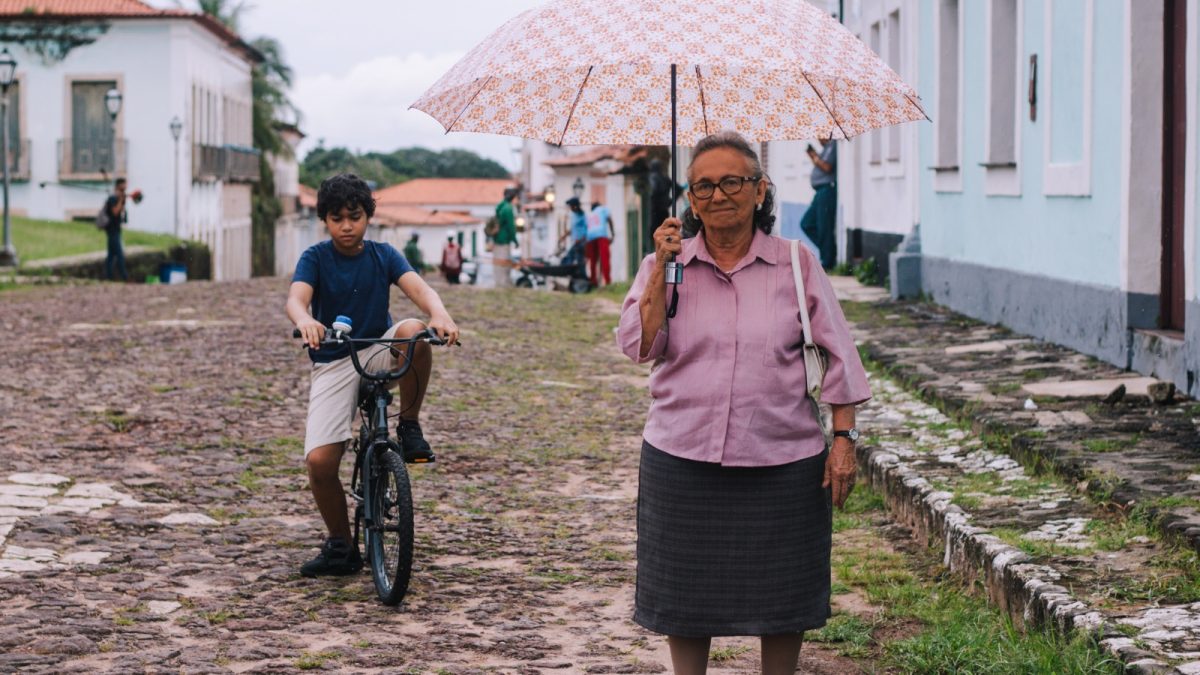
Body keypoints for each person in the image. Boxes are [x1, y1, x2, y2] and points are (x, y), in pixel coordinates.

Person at [617, 131, 870, 675]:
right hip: (682, 453)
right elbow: (641, 347)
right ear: (689, 198)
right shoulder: (665, 262)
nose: (717, 195)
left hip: (783, 457)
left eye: (732, 181)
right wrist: (660, 271)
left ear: (760, 191)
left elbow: (840, 357)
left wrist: (844, 441)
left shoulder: (796, 264)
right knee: (684, 598)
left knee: (783, 597)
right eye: (702, 185)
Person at [286, 173, 460, 577]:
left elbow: (420, 289)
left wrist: (441, 314)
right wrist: (306, 320)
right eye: (336, 218)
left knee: (415, 330)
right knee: (320, 463)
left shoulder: (383, 254)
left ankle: (410, 427)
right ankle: (341, 546)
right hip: (334, 357)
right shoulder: (315, 257)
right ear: (324, 221)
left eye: (355, 216)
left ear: (368, 217)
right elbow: (297, 298)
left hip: (379, 348)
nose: (347, 226)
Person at [800, 137, 837, 269]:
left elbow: (827, 167)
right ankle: (828, 251)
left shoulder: (833, 145)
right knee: (806, 223)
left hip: (826, 190)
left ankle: (828, 261)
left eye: (820, 134)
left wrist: (814, 157)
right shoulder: (826, 148)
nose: (818, 138)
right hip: (819, 192)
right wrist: (814, 156)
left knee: (824, 228)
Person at [102, 177, 129, 282]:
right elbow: (115, 212)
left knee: (111, 255)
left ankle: (108, 276)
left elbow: (121, 211)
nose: (126, 186)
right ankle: (125, 276)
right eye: (124, 184)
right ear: (119, 185)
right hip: (112, 230)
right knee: (119, 254)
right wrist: (121, 200)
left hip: (116, 229)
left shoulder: (118, 198)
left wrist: (122, 200)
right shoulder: (112, 198)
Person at [493, 188, 519, 287]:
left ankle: (499, 282)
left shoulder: (500, 206)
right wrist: (515, 240)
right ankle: (503, 284)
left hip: (497, 239)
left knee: (498, 263)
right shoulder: (508, 208)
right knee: (504, 263)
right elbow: (511, 227)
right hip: (504, 240)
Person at [585, 201, 614, 287]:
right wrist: (612, 233)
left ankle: (593, 281)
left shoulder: (590, 214)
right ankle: (607, 281)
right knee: (605, 258)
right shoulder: (603, 209)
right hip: (601, 234)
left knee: (593, 260)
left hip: (590, 236)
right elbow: (609, 219)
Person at [559, 196, 587, 266]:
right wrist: (563, 237)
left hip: (581, 242)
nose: (570, 207)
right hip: (576, 242)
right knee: (569, 259)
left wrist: (580, 239)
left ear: (575, 206)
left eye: (571, 206)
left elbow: (587, 229)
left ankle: (581, 275)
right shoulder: (573, 215)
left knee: (578, 260)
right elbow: (573, 229)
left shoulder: (582, 215)